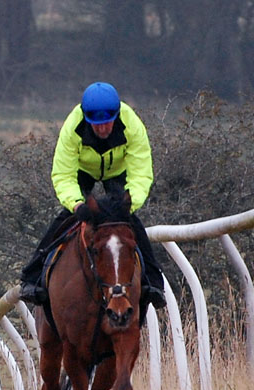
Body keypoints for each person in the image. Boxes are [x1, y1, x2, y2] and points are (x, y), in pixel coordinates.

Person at [20, 82, 166, 312]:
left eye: (107, 122)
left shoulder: (132, 125)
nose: (102, 129)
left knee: (129, 221)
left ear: (116, 116)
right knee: (66, 218)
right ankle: (32, 275)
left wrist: (128, 204)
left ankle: (154, 283)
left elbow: (141, 172)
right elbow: (63, 174)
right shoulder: (72, 127)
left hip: (118, 172)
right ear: (87, 119)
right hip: (83, 171)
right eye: (96, 124)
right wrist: (77, 205)